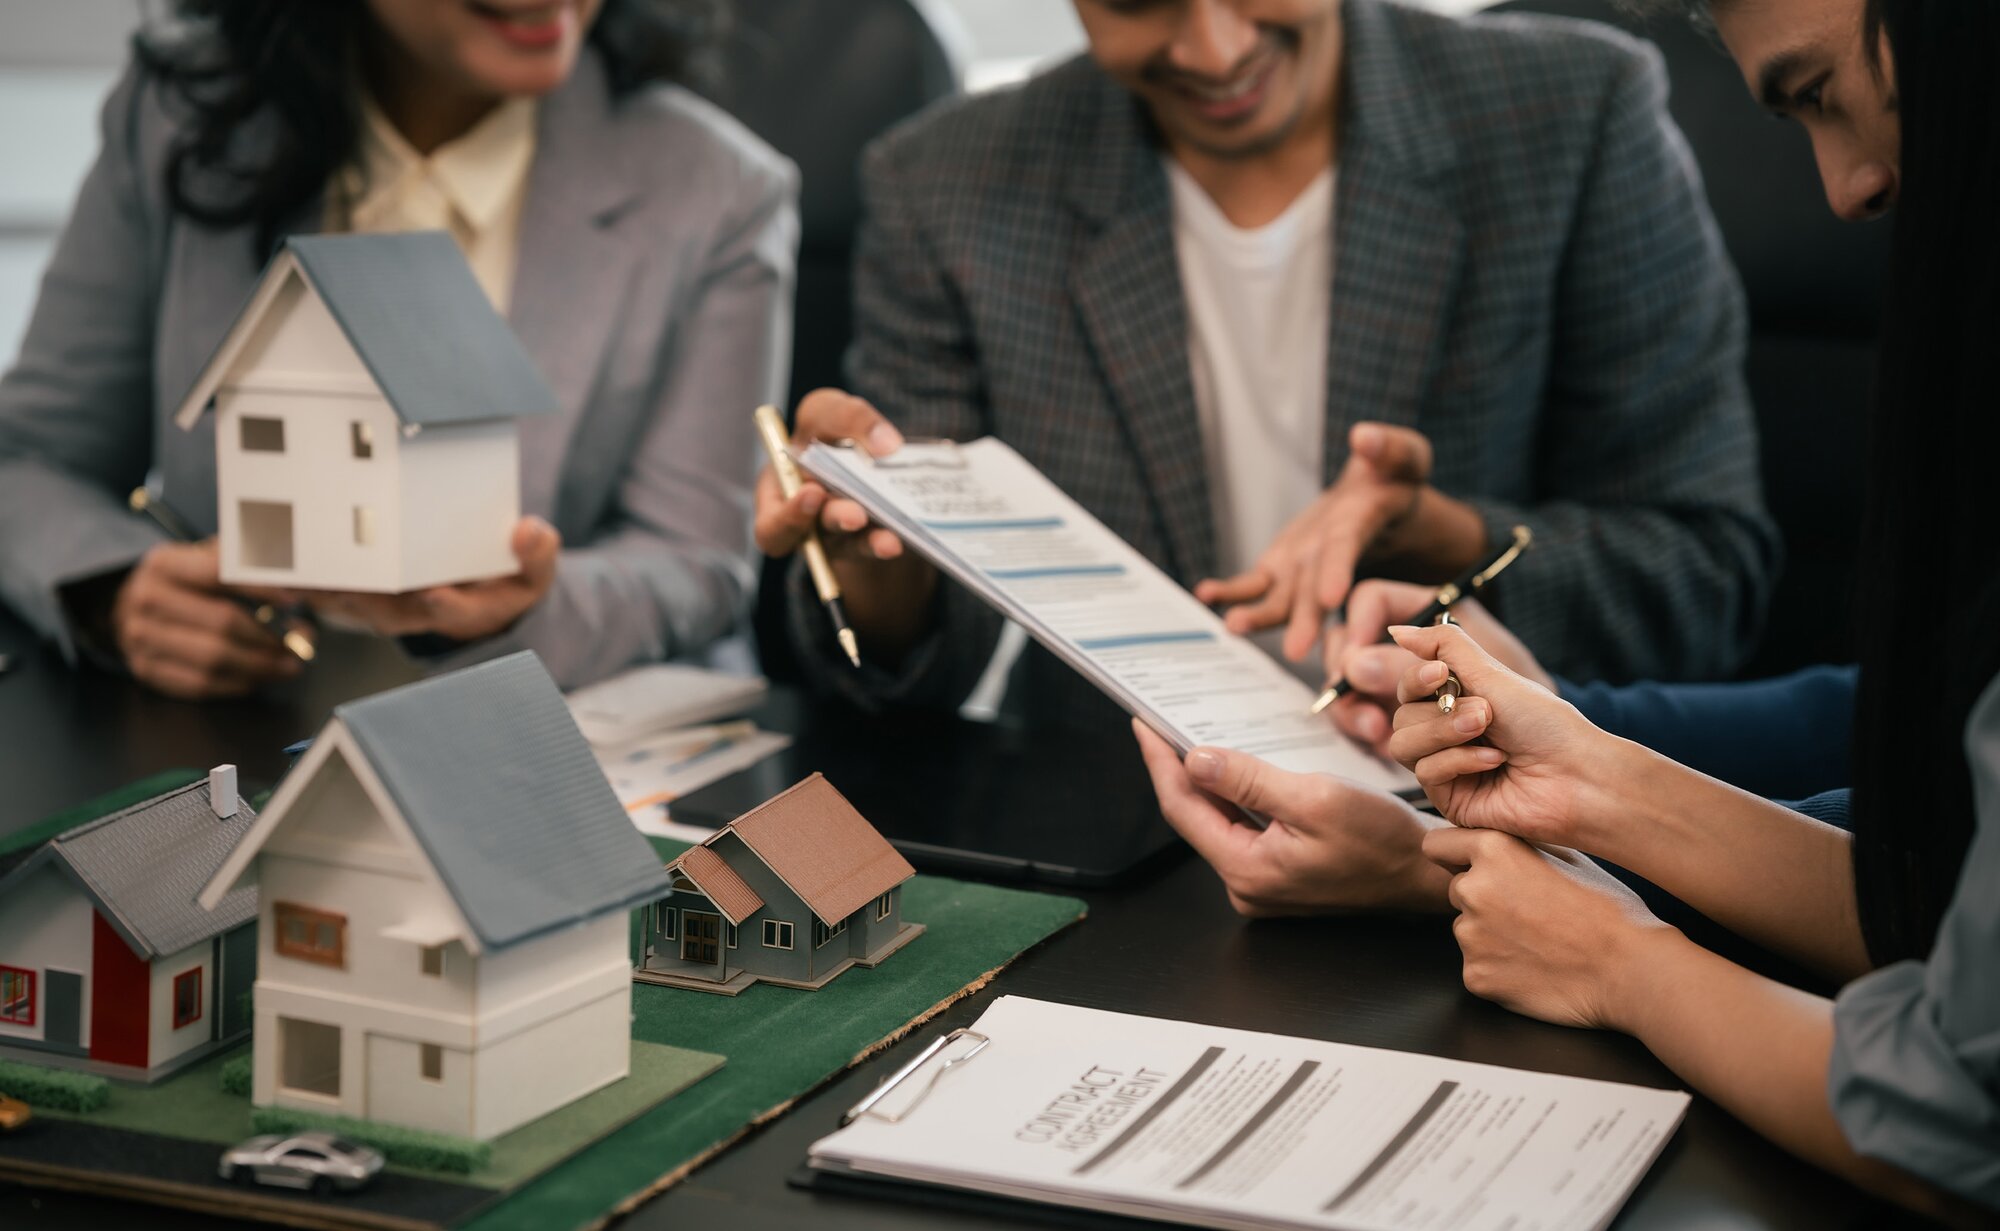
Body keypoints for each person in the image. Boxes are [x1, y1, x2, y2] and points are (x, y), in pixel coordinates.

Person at [1143, 0, 2000, 1215]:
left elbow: (1957, 1110)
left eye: (1815, 92)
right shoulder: (951, 177)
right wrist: (1594, 776)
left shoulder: (1571, 108)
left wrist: (1614, 959)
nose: (1843, 189)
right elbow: (1945, 881)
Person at [754, 0, 1779, 733]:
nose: (1214, 46)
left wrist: (1445, 542)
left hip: (1473, 819)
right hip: (1125, 832)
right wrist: (872, 568)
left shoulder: (1569, 114)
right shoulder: (946, 182)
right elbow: (907, 669)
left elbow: (1706, 579)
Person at [0, 0, 797, 698]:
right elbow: (29, 458)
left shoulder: (717, 185)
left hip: (559, 733)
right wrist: (115, 588)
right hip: (235, 737)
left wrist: (528, 606)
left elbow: (698, 560)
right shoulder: (180, 115)